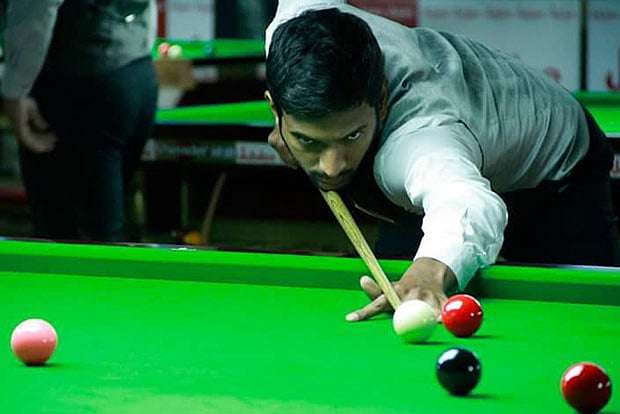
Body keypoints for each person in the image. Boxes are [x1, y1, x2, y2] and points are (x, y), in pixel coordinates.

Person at [263, 1, 620, 321]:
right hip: (456, 147)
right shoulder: (295, 24)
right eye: (308, 139)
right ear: (275, 108)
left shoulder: (420, 139)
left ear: (382, 101)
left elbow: (464, 201)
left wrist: (431, 270)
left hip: (555, 163)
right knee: (398, 291)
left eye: (351, 136)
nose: (331, 167)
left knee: (590, 313)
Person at [1, 0, 158, 241]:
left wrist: (15, 89)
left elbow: (36, 6)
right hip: (135, 71)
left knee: (74, 239)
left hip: (81, 81)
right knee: (105, 231)